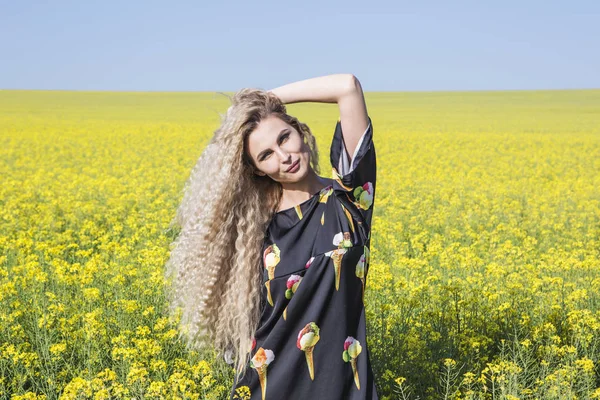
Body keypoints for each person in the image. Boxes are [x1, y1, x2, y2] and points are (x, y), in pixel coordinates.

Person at [165, 73, 378, 399]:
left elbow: (347, 87)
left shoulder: (349, 199)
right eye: (266, 155)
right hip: (269, 387)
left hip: (347, 388)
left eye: (284, 137)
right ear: (257, 170)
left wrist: (265, 100)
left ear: (300, 131)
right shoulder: (254, 231)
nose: (284, 157)